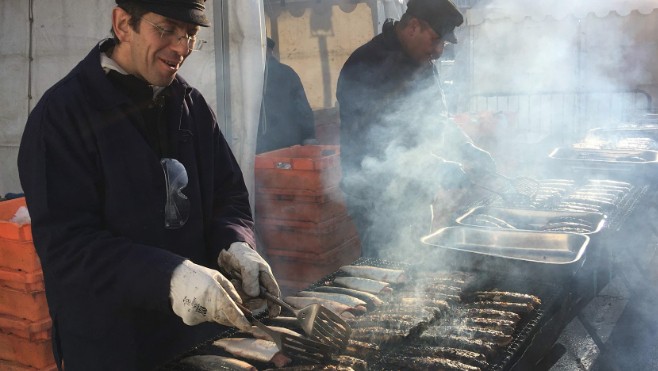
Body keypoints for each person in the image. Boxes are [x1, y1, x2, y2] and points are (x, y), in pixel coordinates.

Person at [17, 1, 280, 369]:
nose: (181, 47)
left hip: (198, 339)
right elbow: (68, 247)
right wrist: (168, 277)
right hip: (113, 346)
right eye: (166, 29)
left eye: (189, 35)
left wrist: (235, 242)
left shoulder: (190, 105)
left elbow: (228, 193)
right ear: (123, 24)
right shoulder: (61, 116)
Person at [336, 0, 496, 259]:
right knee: (387, 268)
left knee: (418, 260)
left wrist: (468, 148)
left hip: (417, 190)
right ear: (413, 26)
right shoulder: (365, 65)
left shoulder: (422, 64)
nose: (439, 51)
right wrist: (435, 166)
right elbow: (372, 142)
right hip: (378, 197)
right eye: (436, 40)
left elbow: (437, 119)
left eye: (443, 44)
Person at [256, 37, 316, 154]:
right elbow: (303, 108)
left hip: (267, 143)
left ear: (268, 50)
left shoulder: (285, 73)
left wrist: (309, 137)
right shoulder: (288, 72)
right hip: (288, 142)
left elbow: (302, 107)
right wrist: (309, 136)